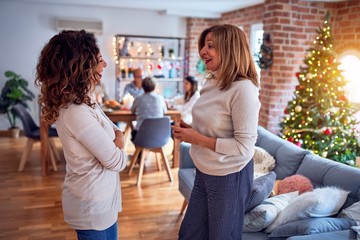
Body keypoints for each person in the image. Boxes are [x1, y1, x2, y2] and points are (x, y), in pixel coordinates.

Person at [35, 30, 128, 240]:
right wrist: (119, 140)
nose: (105, 65)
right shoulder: (76, 111)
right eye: (99, 60)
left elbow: (112, 126)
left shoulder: (85, 99)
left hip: (104, 201)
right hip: (91, 205)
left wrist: (117, 136)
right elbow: (117, 162)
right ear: (81, 66)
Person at [172, 24, 261, 239]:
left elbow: (243, 147)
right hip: (204, 170)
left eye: (210, 46)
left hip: (229, 176)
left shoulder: (244, 89)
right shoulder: (213, 82)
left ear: (229, 49)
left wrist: (198, 139)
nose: (203, 51)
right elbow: (217, 128)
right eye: (204, 45)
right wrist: (192, 131)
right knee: (189, 234)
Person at [130, 76, 167, 141]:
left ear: (142, 87)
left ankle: (140, 150)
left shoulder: (138, 99)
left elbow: (132, 111)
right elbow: (165, 111)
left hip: (141, 136)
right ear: (155, 86)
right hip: (159, 136)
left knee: (133, 133)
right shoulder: (160, 98)